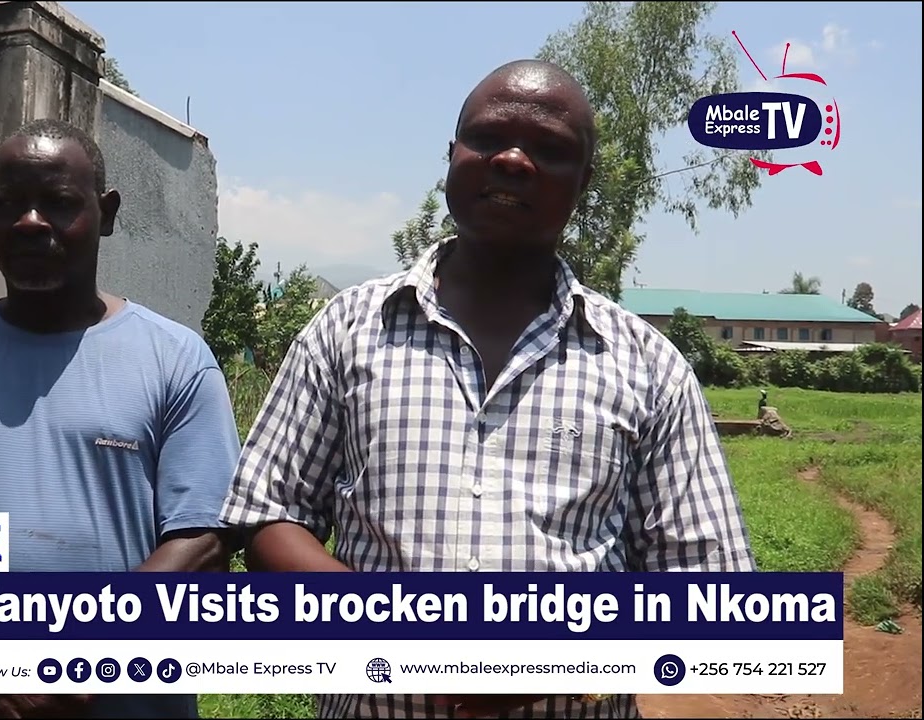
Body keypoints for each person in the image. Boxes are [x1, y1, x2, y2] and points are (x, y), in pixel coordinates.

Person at [219, 59, 757, 719]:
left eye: (548, 148)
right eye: (487, 138)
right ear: (451, 156)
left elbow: (711, 589)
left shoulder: (648, 366)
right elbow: (268, 514)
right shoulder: (346, 330)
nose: (511, 160)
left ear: (583, 182)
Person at [0, 118, 242, 719]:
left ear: (106, 213)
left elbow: (204, 543)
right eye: (8, 204)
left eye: (58, 202)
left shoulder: (176, 360)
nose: (30, 222)